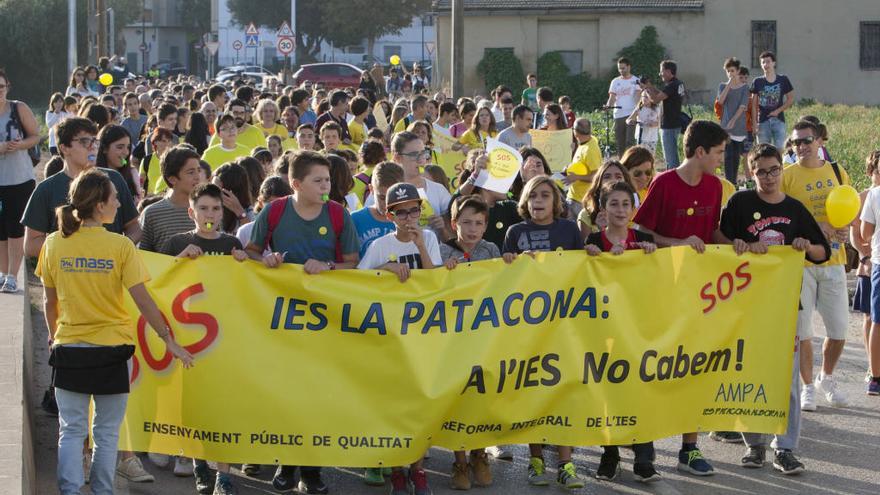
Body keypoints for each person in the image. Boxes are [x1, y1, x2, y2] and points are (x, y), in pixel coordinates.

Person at [37, 168, 193, 495]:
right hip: (112, 351)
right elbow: (144, 301)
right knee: (107, 433)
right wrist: (168, 340)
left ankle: (69, 491)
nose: (120, 201)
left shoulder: (53, 244)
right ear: (99, 205)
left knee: (72, 430)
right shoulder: (120, 246)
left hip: (69, 349)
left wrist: (55, 336)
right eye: (114, 197)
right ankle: (103, 492)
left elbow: (49, 302)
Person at [717, 143, 831, 475]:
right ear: (751, 173)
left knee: (787, 380)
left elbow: (822, 252)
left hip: (785, 306)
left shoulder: (795, 209)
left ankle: (786, 448)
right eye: (761, 171)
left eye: (774, 170)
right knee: (750, 374)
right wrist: (735, 245)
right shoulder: (740, 202)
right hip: (746, 304)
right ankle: (754, 445)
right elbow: (717, 242)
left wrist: (805, 244)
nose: (768, 177)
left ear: (783, 168)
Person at [633, 120, 729, 476]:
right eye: (719, 152)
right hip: (659, 290)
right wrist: (678, 244)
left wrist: (734, 245)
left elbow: (712, 230)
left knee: (694, 369)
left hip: (699, 292)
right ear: (700, 152)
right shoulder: (664, 183)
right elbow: (642, 233)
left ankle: (689, 449)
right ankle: (645, 445)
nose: (723, 158)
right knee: (651, 367)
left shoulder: (716, 185)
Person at [160, 183, 247, 494]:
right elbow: (155, 283)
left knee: (223, 406)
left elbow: (247, 291)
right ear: (191, 212)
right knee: (194, 405)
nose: (210, 215)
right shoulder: (176, 243)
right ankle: (199, 462)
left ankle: (224, 475)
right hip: (189, 341)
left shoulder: (232, 244)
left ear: (223, 213)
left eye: (215, 209)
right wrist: (180, 259)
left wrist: (243, 264)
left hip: (225, 339)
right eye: (203, 209)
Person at [501, 175, 585, 489]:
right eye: (533, 195)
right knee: (532, 393)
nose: (538, 200)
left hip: (563, 326)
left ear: (556, 201)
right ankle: (535, 459)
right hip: (527, 328)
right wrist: (508, 262)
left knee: (562, 393)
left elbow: (582, 272)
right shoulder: (515, 232)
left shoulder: (569, 230)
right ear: (525, 200)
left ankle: (566, 463)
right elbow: (504, 280)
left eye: (545, 195)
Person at [355, 182, 437, 495]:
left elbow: (437, 282)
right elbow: (359, 284)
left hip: (422, 334)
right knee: (392, 403)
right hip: (390, 336)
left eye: (413, 210)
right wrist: (385, 267)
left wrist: (420, 248)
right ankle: (396, 470)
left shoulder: (428, 237)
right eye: (401, 212)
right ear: (390, 215)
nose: (408, 217)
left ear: (421, 211)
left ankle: (418, 470)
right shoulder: (378, 245)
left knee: (418, 405)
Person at [584, 181, 661, 484]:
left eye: (625, 204)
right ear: (604, 209)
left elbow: (656, 280)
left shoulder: (643, 239)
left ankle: (644, 457)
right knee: (610, 392)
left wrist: (652, 256)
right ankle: (610, 454)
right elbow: (584, 280)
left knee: (640, 389)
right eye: (613, 204)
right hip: (605, 330)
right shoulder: (593, 240)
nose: (619, 210)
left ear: (633, 208)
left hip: (638, 328)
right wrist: (590, 255)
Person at [441, 195, 514, 490]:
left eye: (479, 223)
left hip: (484, 338)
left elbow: (506, 283)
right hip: (453, 339)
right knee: (458, 398)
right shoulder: (444, 252)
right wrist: (440, 270)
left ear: (486, 226)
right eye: (466, 222)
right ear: (454, 224)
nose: (472, 229)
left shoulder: (492, 250)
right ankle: (459, 461)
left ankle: (479, 455)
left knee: (481, 397)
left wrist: (509, 264)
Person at [780, 120, 850, 410]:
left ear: (820, 140)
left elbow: (846, 207)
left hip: (835, 261)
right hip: (801, 263)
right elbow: (782, 220)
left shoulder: (837, 171)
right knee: (803, 331)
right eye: (796, 142)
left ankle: (826, 377)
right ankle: (808, 386)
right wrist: (814, 226)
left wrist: (845, 228)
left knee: (839, 331)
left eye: (806, 140)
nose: (801, 146)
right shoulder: (786, 176)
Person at [22, 118, 141, 259]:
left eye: (95, 141)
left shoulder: (114, 179)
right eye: (84, 142)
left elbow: (134, 227)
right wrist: (78, 250)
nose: (93, 147)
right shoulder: (46, 189)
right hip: (67, 276)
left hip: (110, 273)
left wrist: (118, 248)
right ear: (64, 148)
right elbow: (31, 245)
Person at [0, 69, 39, 292]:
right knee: (0, 230)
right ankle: (2, 272)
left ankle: (12, 275)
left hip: (18, 178)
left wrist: (19, 145)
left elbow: (35, 135)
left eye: (1, 87)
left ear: (7, 87)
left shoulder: (18, 108)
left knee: (15, 229)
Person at [138, 145, 201, 253]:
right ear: (172, 179)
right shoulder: (152, 214)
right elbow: (143, 257)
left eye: (198, 170)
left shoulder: (210, 208)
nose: (198, 177)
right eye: (191, 172)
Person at [391, 132, 451, 239]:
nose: (421, 160)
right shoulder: (386, 193)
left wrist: (442, 227)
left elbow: (454, 234)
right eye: (414, 155)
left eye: (423, 153)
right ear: (397, 158)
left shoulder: (438, 190)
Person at [854, 151, 880, 391]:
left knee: (876, 319)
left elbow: (867, 232)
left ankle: (875, 372)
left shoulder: (874, 195)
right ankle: (873, 370)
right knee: (871, 317)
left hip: (877, 261)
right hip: (870, 263)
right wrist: (863, 255)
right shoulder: (866, 195)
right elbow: (858, 235)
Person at [352, 161, 404, 261]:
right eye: (382, 197)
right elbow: (351, 262)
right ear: (371, 189)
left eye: (393, 197)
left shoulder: (408, 217)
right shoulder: (355, 219)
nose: (387, 204)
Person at [577, 160, 638, 238]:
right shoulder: (586, 215)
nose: (613, 180)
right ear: (599, 183)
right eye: (607, 177)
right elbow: (586, 248)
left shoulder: (635, 213)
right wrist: (601, 231)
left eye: (618, 177)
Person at [751, 51, 795, 150]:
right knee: (763, 150)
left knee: (781, 149)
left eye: (768, 61)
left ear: (774, 63)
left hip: (779, 120)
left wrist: (777, 111)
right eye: (763, 62)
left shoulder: (783, 79)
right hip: (762, 121)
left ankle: (779, 166)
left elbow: (790, 98)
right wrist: (754, 124)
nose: (766, 64)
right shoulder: (757, 81)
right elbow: (754, 105)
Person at [646, 60, 685, 169]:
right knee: (672, 155)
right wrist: (650, 86)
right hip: (675, 123)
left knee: (670, 158)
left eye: (661, 71)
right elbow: (663, 94)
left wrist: (646, 88)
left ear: (668, 71)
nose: (660, 74)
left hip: (669, 125)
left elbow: (655, 100)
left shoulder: (672, 85)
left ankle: (673, 181)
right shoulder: (678, 83)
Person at [718, 58, 750, 183]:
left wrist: (733, 120)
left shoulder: (744, 88)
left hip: (739, 127)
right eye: (728, 71)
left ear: (737, 71)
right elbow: (720, 101)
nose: (730, 73)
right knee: (728, 156)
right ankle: (729, 183)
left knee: (735, 157)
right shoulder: (722, 86)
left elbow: (743, 106)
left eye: (732, 71)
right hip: (725, 128)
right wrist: (729, 85)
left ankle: (734, 183)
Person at [564, 118, 601, 219]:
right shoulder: (586, 142)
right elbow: (582, 165)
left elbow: (596, 176)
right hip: (574, 196)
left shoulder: (590, 149)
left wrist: (576, 177)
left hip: (581, 201)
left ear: (575, 132)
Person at [95, 124, 141, 202]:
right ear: (104, 148)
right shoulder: (94, 176)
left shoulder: (132, 173)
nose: (126, 152)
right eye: (120, 147)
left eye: (128, 147)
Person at [606, 57, 640, 155]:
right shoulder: (615, 81)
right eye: (619, 68)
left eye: (623, 68)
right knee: (620, 142)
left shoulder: (636, 80)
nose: (621, 71)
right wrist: (608, 106)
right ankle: (622, 163)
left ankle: (630, 162)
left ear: (629, 67)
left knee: (630, 141)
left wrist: (637, 112)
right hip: (618, 115)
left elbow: (638, 98)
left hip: (631, 114)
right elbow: (612, 98)